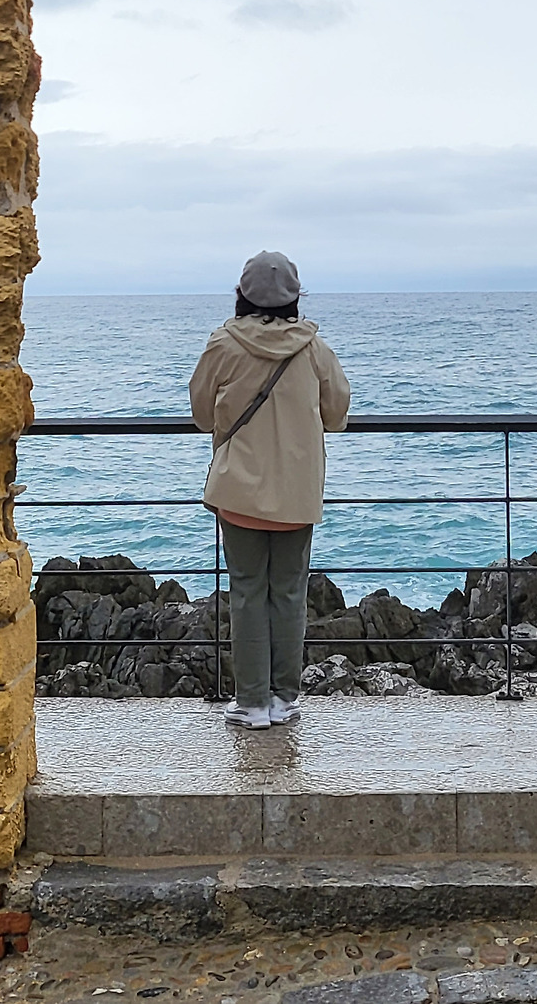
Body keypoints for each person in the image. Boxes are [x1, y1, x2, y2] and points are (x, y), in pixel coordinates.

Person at [189, 251, 351, 730]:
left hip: (239, 490)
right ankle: (284, 698)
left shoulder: (224, 343)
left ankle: (252, 703)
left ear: (242, 294)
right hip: (296, 493)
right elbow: (337, 412)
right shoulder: (313, 348)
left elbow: (201, 413)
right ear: (295, 297)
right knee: (289, 594)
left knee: (246, 593)